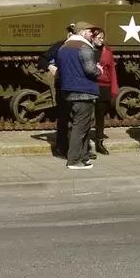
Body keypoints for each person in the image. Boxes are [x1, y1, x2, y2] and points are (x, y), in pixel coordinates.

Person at [56, 21, 101, 170]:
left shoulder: (63, 47)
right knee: (80, 127)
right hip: (84, 92)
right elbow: (91, 70)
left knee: (80, 126)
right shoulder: (84, 48)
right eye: (90, 32)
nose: (92, 34)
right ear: (81, 32)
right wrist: (99, 69)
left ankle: (83, 157)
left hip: (68, 91)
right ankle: (74, 160)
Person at [39, 23, 76, 158]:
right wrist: (50, 66)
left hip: (78, 88)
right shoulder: (60, 46)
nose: (70, 34)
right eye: (69, 32)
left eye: (74, 32)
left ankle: (78, 149)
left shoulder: (83, 47)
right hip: (62, 87)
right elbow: (42, 59)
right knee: (63, 119)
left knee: (78, 120)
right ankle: (61, 148)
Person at [91, 28, 118, 156]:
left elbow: (112, 70)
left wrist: (114, 88)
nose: (101, 40)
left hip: (104, 87)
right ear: (93, 37)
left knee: (100, 115)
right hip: (91, 85)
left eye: (102, 38)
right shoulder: (87, 50)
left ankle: (99, 141)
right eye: (99, 38)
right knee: (88, 115)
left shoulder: (107, 51)